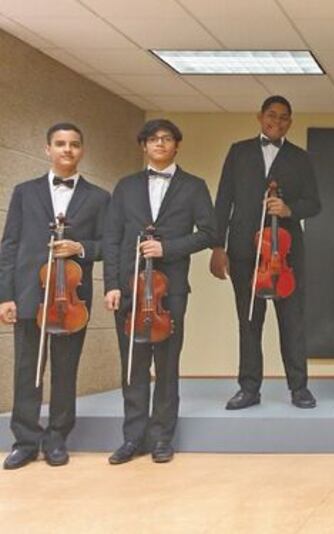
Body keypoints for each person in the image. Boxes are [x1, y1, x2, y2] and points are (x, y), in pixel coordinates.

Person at [103, 119, 216, 464]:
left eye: (167, 139)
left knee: (166, 365)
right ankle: (132, 438)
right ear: (144, 146)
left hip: (170, 290)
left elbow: (209, 233)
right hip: (129, 287)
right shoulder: (125, 186)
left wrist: (168, 248)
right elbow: (112, 238)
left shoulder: (194, 186)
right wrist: (111, 285)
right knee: (133, 364)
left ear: (176, 145)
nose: (160, 143)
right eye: (153, 139)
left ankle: (162, 437)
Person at [0, 123, 109, 469]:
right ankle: (25, 441)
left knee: (65, 371)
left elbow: (109, 245)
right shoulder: (24, 192)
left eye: (74, 144)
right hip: (29, 293)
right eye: (60, 144)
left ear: (82, 150)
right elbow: (9, 245)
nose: (67, 149)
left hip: (71, 299)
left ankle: (57, 438)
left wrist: (80, 247)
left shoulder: (99, 197)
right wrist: (5, 296)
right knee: (26, 371)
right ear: (47, 149)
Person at [210, 96, 320, 410]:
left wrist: (289, 209)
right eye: (272, 115)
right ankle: (248, 388)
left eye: (284, 117)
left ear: (290, 122)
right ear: (260, 117)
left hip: (286, 254)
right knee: (249, 322)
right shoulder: (239, 152)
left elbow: (314, 203)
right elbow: (224, 200)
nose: (277, 122)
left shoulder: (300, 158)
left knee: (292, 323)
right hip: (243, 251)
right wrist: (217, 246)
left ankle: (299, 388)